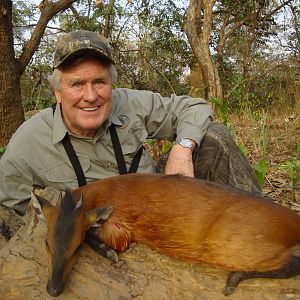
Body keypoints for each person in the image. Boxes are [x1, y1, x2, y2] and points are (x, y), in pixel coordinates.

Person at [0, 30, 261, 216]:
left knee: (214, 137)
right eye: (77, 84)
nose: (90, 96)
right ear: (58, 93)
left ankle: (259, 225)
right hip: (100, 228)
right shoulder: (28, 141)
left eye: (99, 82)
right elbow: (10, 205)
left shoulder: (129, 102)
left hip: (159, 200)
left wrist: (182, 149)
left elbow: (194, 107)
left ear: (111, 85)